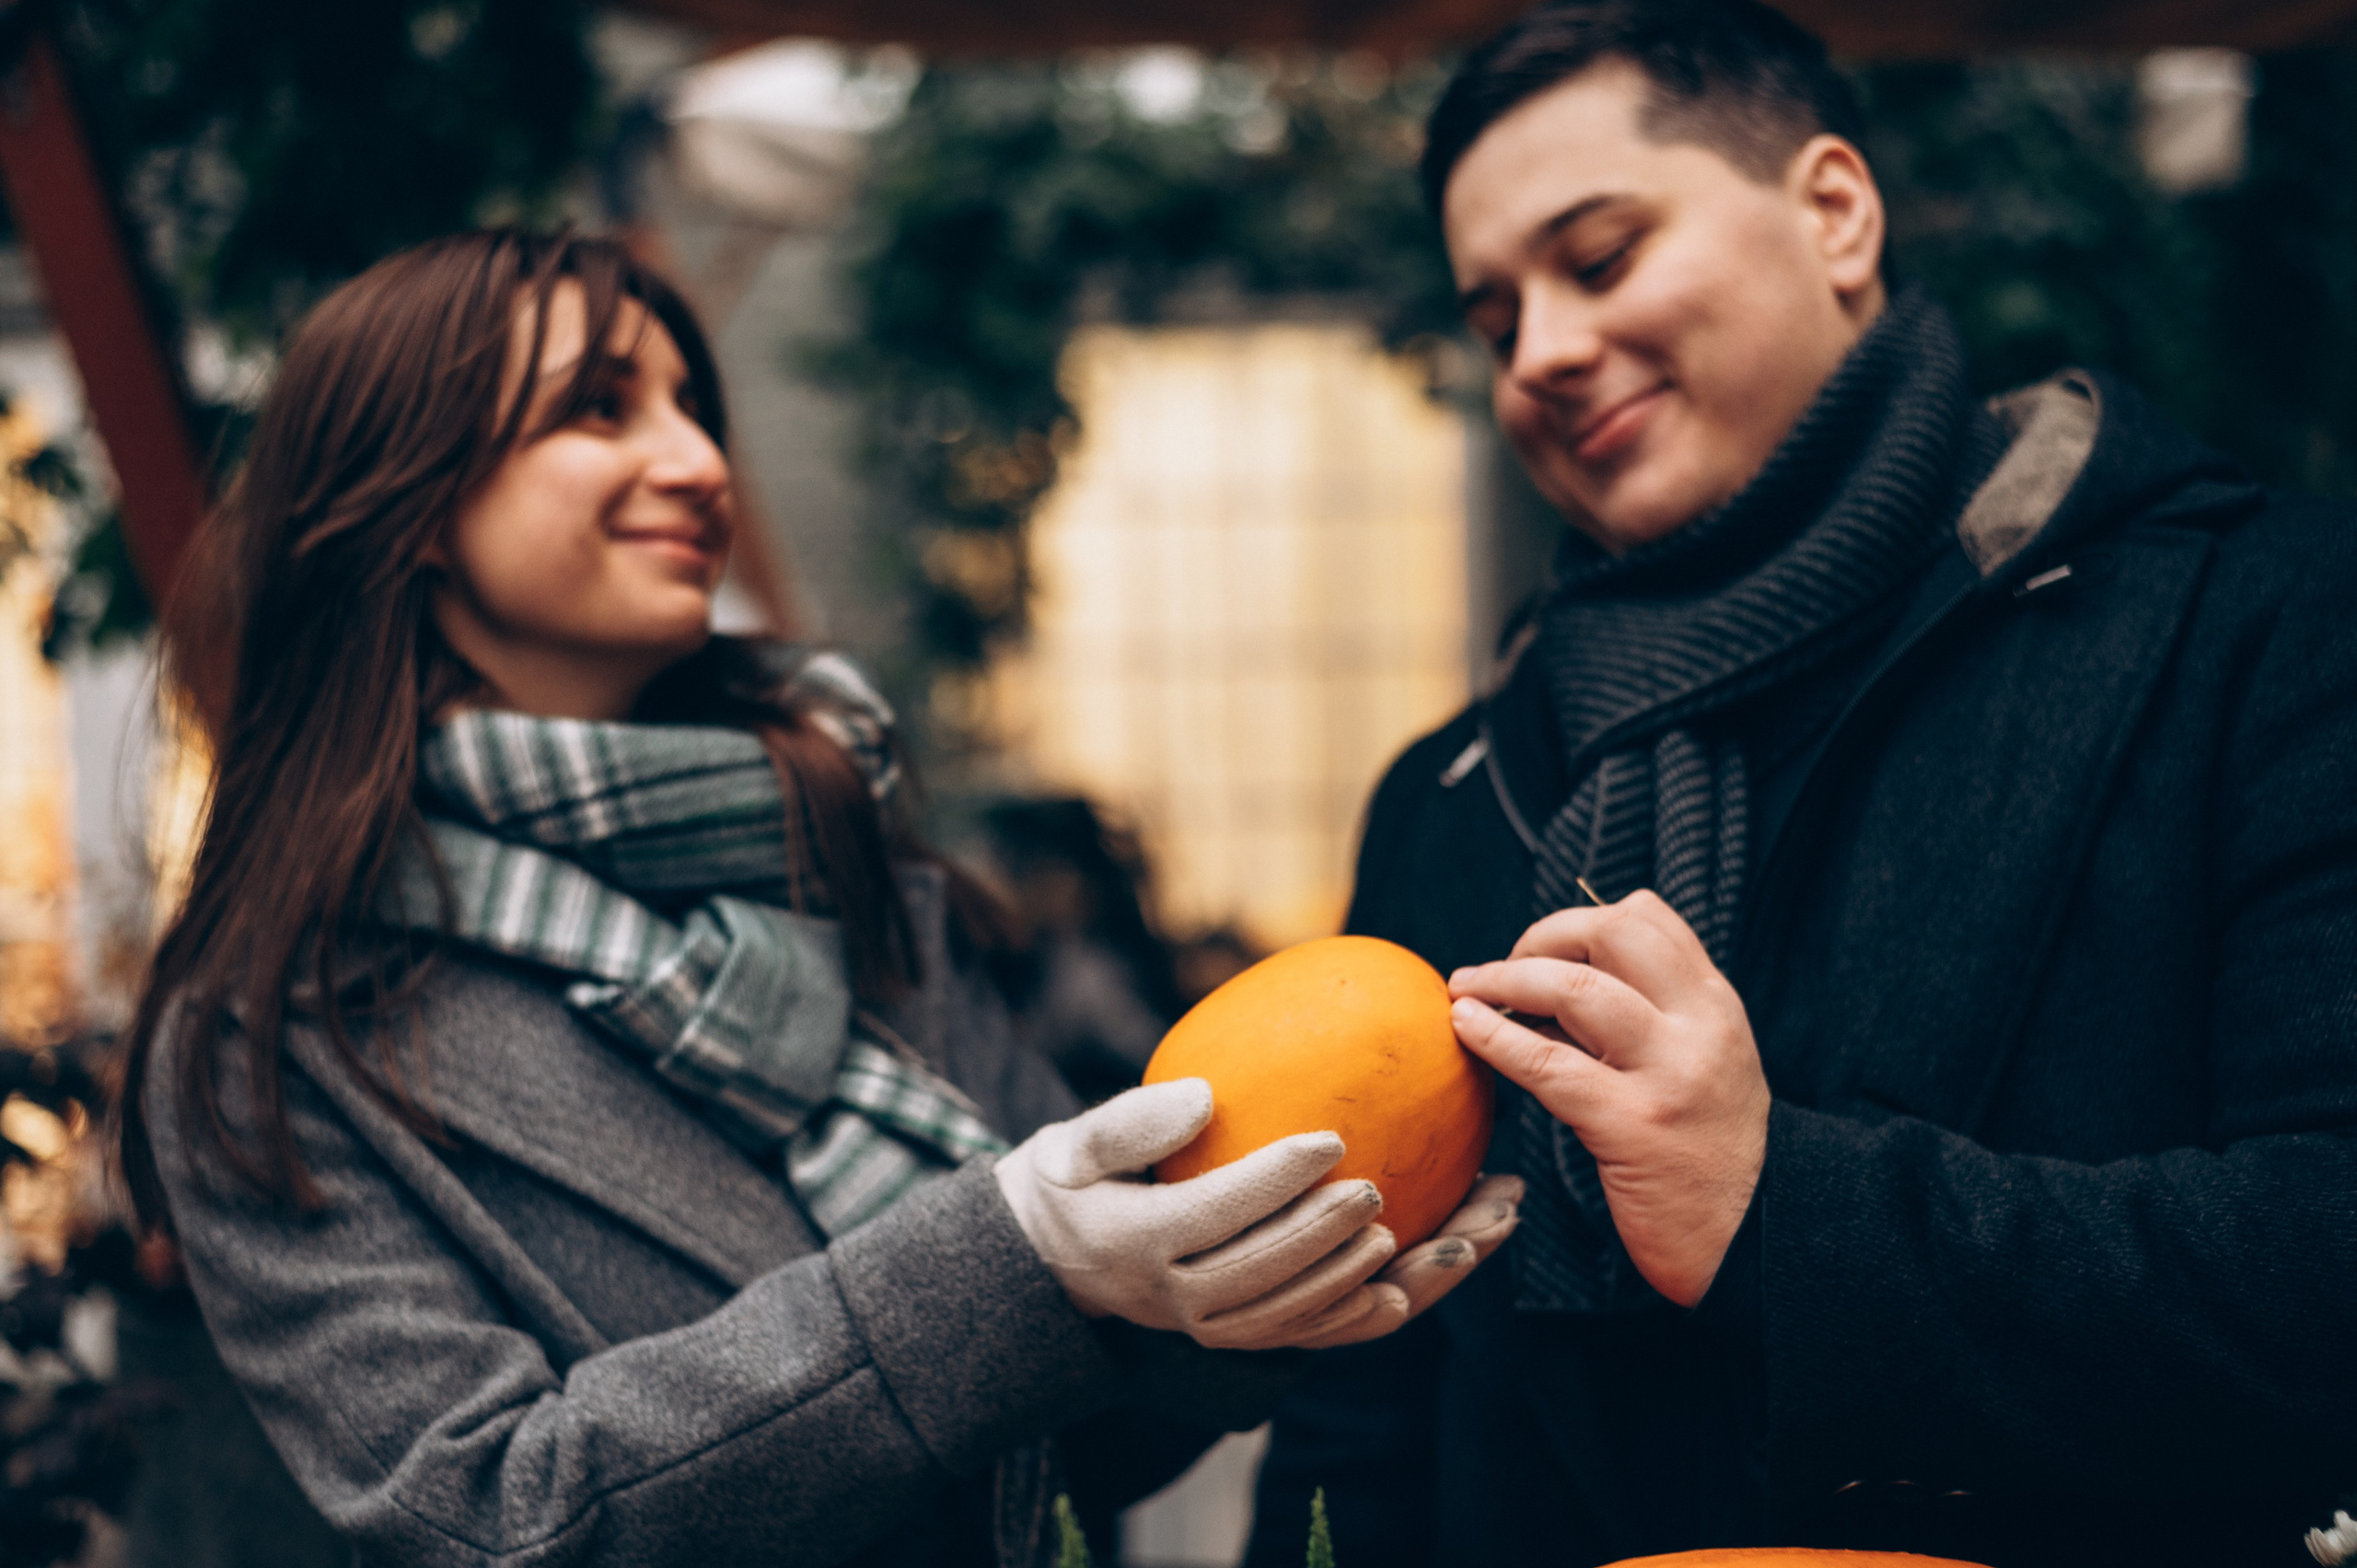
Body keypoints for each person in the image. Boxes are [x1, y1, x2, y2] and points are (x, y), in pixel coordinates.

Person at [114, 230, 1523, 1568]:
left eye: (693, 407)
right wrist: (1008, 1265)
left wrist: (1223, 1310)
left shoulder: (851, 873)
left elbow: (1058, 1458)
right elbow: (489, 1523)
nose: (696, 462)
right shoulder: (270, 1043)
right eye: (598, 409)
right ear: (408, 501)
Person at [1246, 5, 2357, 1566]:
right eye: (1495, 323)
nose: (1542, 353)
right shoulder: (1453, 791)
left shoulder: (2267, 629)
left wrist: (1786, 1214)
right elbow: (1362, 1421)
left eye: (1600, 257)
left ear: (1835, 211)